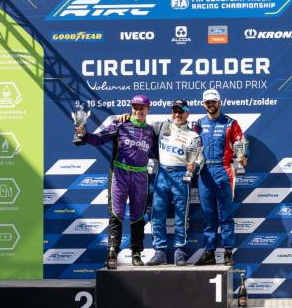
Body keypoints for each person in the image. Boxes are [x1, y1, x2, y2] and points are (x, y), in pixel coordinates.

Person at [75, 95, 156, 268]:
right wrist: (84, 135)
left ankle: (136, 253)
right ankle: (112, 252)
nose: (138, 110)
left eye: (142, 107)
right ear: (131, 108)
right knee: (116, 213)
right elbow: (99, 138)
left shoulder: (150, 131)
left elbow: (158, 153)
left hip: (140, 176)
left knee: (138, 216)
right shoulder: (120, 124)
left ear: (148, 109)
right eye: (135, 107)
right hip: (120, 174)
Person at [146, 99, 204, 266]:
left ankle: (179, 251)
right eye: (175, 111)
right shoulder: (162, 126)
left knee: (181, 215)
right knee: (157, 214)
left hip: (181, 176)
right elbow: (140, 124)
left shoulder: (194, 136)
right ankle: (159, 251)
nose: (177, 114)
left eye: (181, 111)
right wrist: (126, 117)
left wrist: (195, 167)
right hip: (162, 174)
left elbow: (201, 159)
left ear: (187, 113)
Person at [194, 89, 247, 266]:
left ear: (219, 102)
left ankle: (228, 252)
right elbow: (190, 146)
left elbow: (241, 145)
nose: (211, 105)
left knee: (226, 214)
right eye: (208, 102)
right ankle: (209, 252)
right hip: (204, 172)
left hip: (224, 170)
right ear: (203, 104)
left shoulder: (231, 123)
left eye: (213, 102)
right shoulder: (198, 124)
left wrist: (242, 157)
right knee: (208, 214)